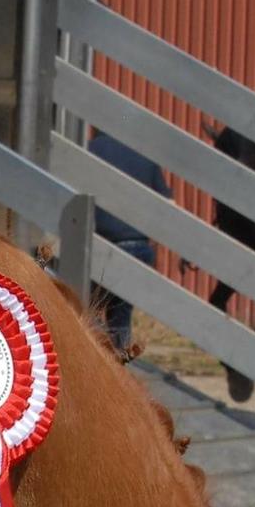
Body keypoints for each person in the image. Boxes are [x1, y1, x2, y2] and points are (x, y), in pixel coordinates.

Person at [88, 130, 171, 354]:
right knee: (120, 318)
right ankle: (118, 364)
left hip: (101, 246)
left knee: (82, 309)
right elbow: (166, 202)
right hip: (138, 248)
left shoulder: (92, 149)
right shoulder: (145, 152)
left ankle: (100, 360)